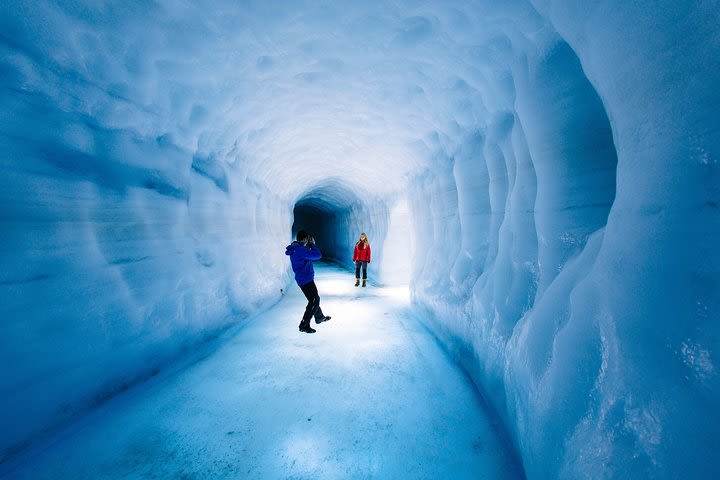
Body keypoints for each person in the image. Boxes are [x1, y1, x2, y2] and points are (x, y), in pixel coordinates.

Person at [285, 230, 331, 333]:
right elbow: (318, 255)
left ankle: (319, 317)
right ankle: (304, 325)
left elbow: (306, 255)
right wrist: (313, 245)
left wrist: (308, 246)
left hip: (304, 278)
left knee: (313, 299)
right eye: (307, 239)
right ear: (305, 239)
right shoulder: (300, 250)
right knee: (314, 300)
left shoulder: (296, 248)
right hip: (305, 279)